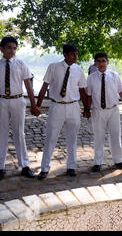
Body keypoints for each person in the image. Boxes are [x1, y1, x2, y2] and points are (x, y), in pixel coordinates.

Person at [0, 36, 40, 182]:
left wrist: (33, 105)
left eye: (14, 48)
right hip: (1, 101)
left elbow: (28, 86)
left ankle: (25, 165)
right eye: (9, 47)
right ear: (2, 49)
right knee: (1, 133)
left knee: (19, 133)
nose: (12, 51)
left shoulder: (21, 64)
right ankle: (0, 168)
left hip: (17, 100)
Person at [36, 43, 88, 180]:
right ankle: (44, 168)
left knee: (72, 138)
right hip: (57, 106)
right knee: (51, 137)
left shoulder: (79, 70)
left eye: (76, 54)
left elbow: (82, 90)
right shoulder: (53, 67)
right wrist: (38, 105)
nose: (75, 56)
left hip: (73, 106)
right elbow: (44, 86)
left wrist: (87, 108)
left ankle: (71, 166)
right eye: (72, 54)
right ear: (65, 54)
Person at [86, 52, 122, 172]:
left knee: (116, 135)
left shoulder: (114, 75)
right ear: (95, 63)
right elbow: (89, 95)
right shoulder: (90, 78)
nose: (101, 64)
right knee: (98, 137)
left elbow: (121, 91)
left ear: (108, 62)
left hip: (113, 110)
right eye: (98, 61)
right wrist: (87, 109)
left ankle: (119, 161)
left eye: (103, 61)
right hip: (98, 111)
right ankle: (97, 162)